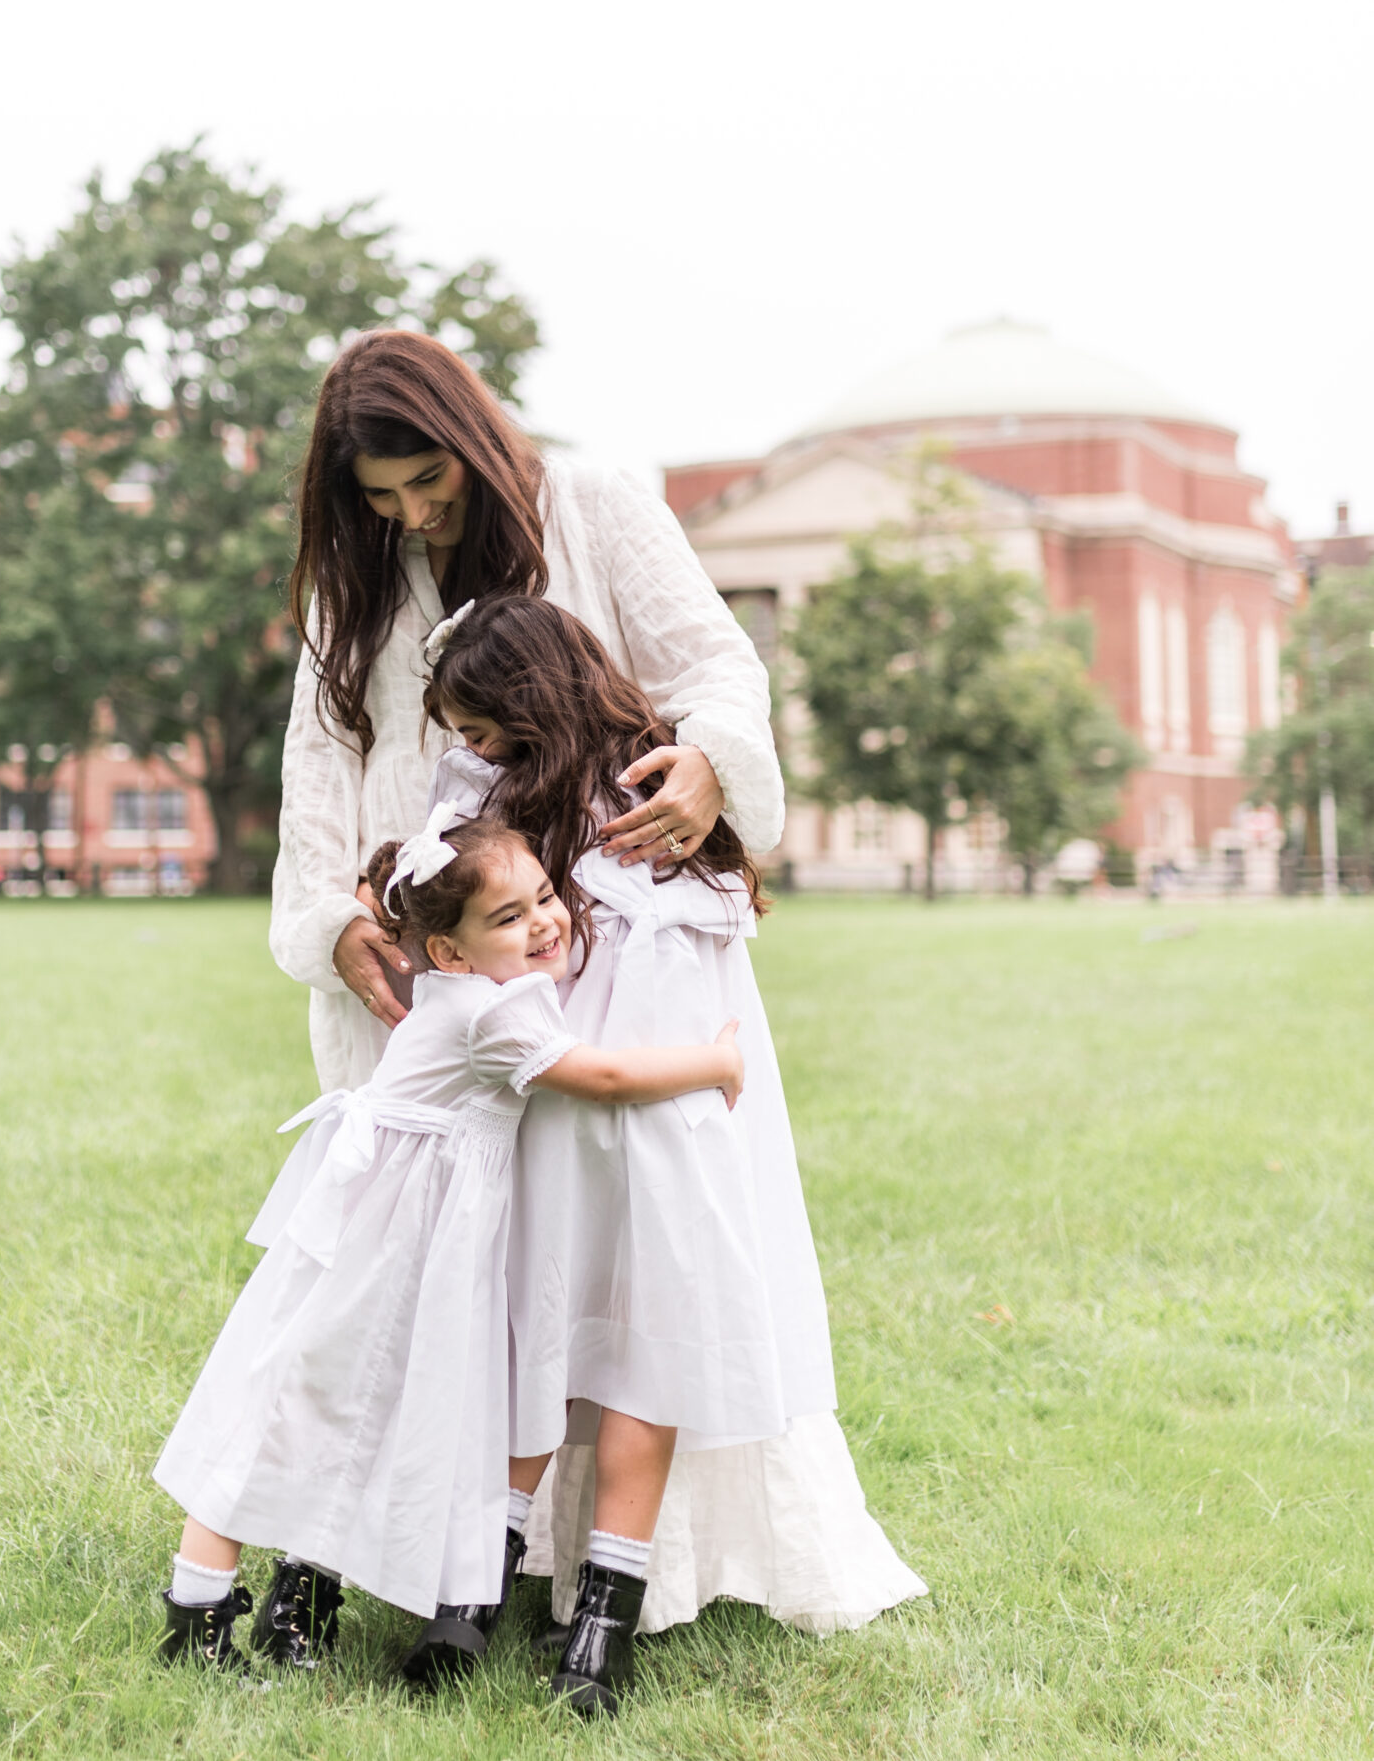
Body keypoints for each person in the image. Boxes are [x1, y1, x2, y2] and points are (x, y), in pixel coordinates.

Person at [419, 596, 925, 1678]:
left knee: (594, 1355)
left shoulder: (618, 801)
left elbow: (675, 967)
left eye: (478, 725)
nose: (467, 749)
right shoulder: (558, 804)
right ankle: (535, 1596)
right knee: (586, 1353)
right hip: (608, 1116)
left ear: (527, 703)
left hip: (616, 1115)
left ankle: (540, 1602)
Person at [152, 808, 744, 1683]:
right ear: (451, 954)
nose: (544, 921)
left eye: (545, 896)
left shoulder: (456, 998)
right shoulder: (490, 1016)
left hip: (367, 1237)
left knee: (290, 1408)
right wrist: (717, 1063)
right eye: (509, 918)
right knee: (296, 1417)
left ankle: (217, 1606)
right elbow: (607, 1079)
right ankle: (202, 1619)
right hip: (389, 1255)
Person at [271, 330, 785, 1096]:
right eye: (380, 493)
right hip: (425, 937)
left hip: (589, 923)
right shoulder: (356, 581)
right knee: (430, 1184)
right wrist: (327, 920)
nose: (411, 512)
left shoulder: (593, 505)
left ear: (467, 438)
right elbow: (318, 764)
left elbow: (716, 665)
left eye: (427, 477)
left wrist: (711, 759)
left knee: (596, 1174)